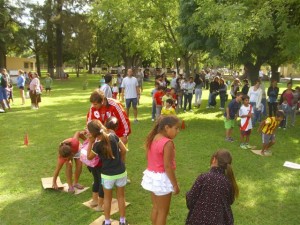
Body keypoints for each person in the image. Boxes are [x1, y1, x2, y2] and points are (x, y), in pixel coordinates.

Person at [86, 120, 128, 225]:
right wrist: (121, 162)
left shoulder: (97, 145)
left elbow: (89, 157)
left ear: (92, 133)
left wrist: (90, 142)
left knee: (107, 199)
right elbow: (123, 150)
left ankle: (107, 221)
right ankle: (122, 221)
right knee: (121, 197)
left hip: (107, 175)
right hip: (121, 172)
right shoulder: (114, 136)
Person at [141, 115, 180, 225]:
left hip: (153, 177)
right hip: (162, 179)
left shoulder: (154, 137)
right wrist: (175, 184)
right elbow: (167, 166)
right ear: (167, 127)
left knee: (156, 208)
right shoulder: (167, 143)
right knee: (163, 212)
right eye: (176, 128)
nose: (178, 131)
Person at [186, 150, 239, 225]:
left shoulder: (203, 178)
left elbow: (190, 201)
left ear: (214, 160)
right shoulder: (228, 182)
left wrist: (188, 194)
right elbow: (230, 201)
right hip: (220, 221)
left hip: (197, 221)